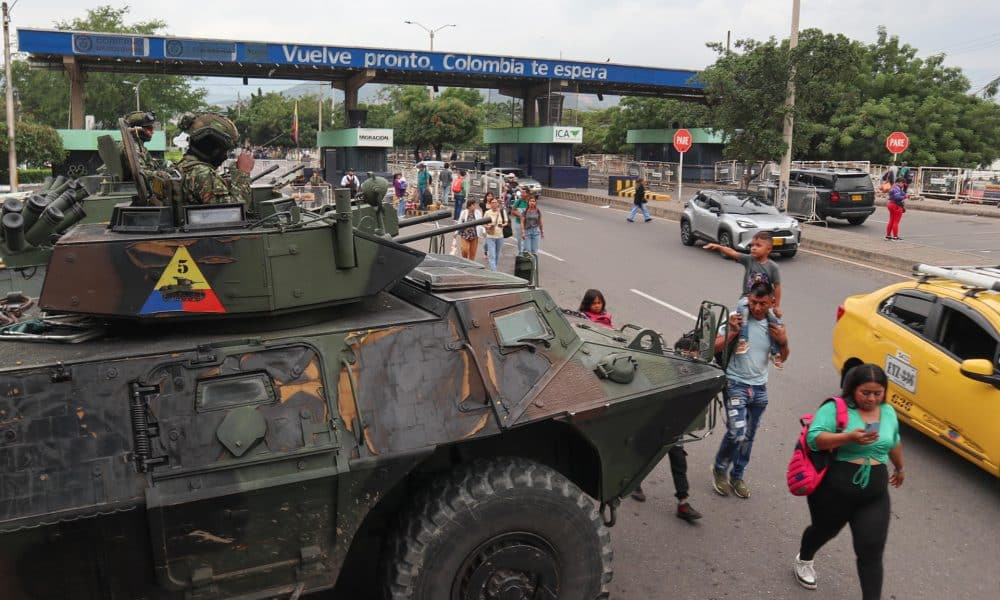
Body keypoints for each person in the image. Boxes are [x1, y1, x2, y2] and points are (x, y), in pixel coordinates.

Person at [794, 363, 904, 598]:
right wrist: (848, 437)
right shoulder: (836, 408)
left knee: (871, 551)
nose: (872, 399)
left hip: (874, 495)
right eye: (866, 393)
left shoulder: (888, 412)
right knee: (824, 531)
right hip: (834, 491)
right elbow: (814, 439)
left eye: (878, 393)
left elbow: (893, 441)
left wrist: (900, 467)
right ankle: (804, 558)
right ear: (852, 388)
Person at [711, 282, 789, 499]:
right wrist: (733, 332)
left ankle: (737, 475)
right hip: (735, 383)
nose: (757, 308)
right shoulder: (737, 318)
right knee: (737, 432)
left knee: (749, 436)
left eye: (763, 303)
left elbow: (782, 357)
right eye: (753, 302)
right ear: (748, 299)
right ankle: (719, 468)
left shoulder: (775, 325)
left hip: (759, 388)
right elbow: (714, 347)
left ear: (772, 302)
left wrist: (783, 341)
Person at [704, 232, 784, 365]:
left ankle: (775, 353)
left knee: (775, 323)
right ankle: (743, 341)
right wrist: (718, 247)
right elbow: (733, 253)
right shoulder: (749, 260)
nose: (753, 248)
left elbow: (777, 287)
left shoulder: (773, 267)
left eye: (758, 245)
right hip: (747, 298)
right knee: (742, 312)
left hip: (763, 301)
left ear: (769, 249)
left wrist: (776, 306)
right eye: (752, 245)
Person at [176, 112, 253, 205]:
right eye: (226, 150)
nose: (225, 156)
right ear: (215, 148)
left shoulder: (183, 167)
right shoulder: (202, 173)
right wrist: (243, 173)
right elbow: (233, 211)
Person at [482, 195, 508, 272]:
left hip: (500, 236)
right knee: (492, 256)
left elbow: (506, 222)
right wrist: (487, 227)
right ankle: (495, 272)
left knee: (496, 255)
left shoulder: (502, 212)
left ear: (498, 204)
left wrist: (502, 225)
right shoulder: (487, 212)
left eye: (495, 202)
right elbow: (483, 223)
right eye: (492, 203)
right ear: (490, 204)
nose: (494, 204)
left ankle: (494, 269)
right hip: (490, 236)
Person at [509, 185, 530, 253]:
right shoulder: (518, 201)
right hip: (519, 223)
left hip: (528, 224)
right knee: (519, 240)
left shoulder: (530, 202)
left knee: (527, 240)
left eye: (523, 193)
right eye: (521, 192)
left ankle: (526, 252)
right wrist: (520, 216)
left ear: (527, 194)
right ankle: (520, 252)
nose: (522, 194)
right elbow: (513, 211)